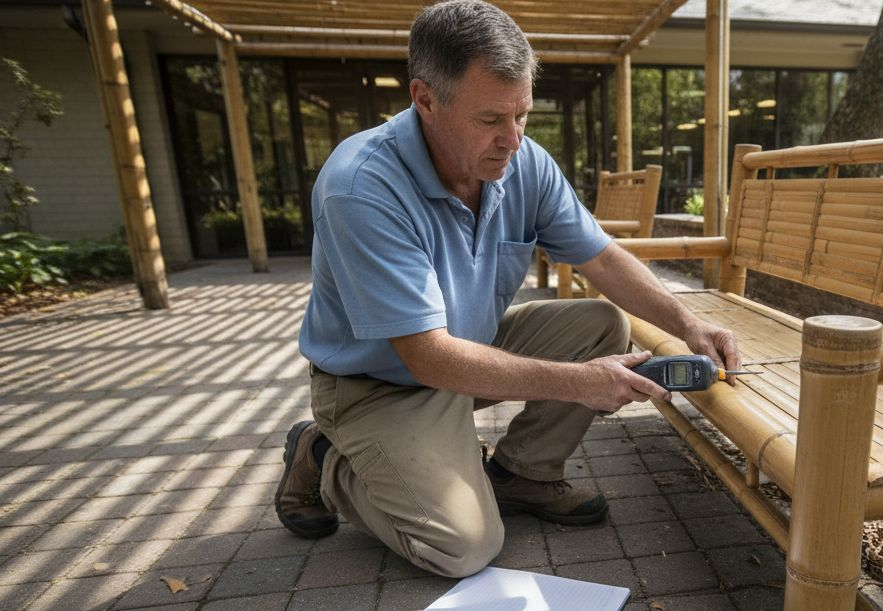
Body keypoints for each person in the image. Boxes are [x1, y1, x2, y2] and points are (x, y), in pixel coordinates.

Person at [274, 0, 738, 578]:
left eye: (522, 116)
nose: (512, 140)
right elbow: (424, 355)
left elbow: (602, 256)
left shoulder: (523, 162)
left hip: (464, 352)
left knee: (599, 323)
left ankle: (523, 475)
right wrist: (582, 384)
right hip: (377, 386)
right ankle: (322, 457)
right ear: (424, 99)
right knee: (462, 547)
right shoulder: (361, 187)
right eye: (490, 119)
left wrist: (687, 323)